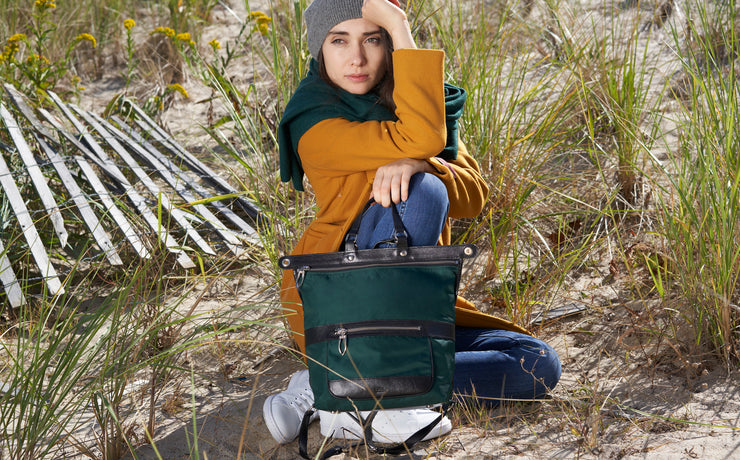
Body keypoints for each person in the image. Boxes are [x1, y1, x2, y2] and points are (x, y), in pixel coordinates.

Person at [263, 0, 561, 445]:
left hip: (414, 314)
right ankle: (377, 394)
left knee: (536, 364)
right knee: (421, 195)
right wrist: (421, 160)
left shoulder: (416, 104)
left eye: (375, 39)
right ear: (318, 49)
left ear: (390, 49)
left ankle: (336, 387)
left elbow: (474, 195)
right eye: (338, 40)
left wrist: (422, 164)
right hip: (337, 304)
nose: (357, 58)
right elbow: (422, 138)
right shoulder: (315, 119)